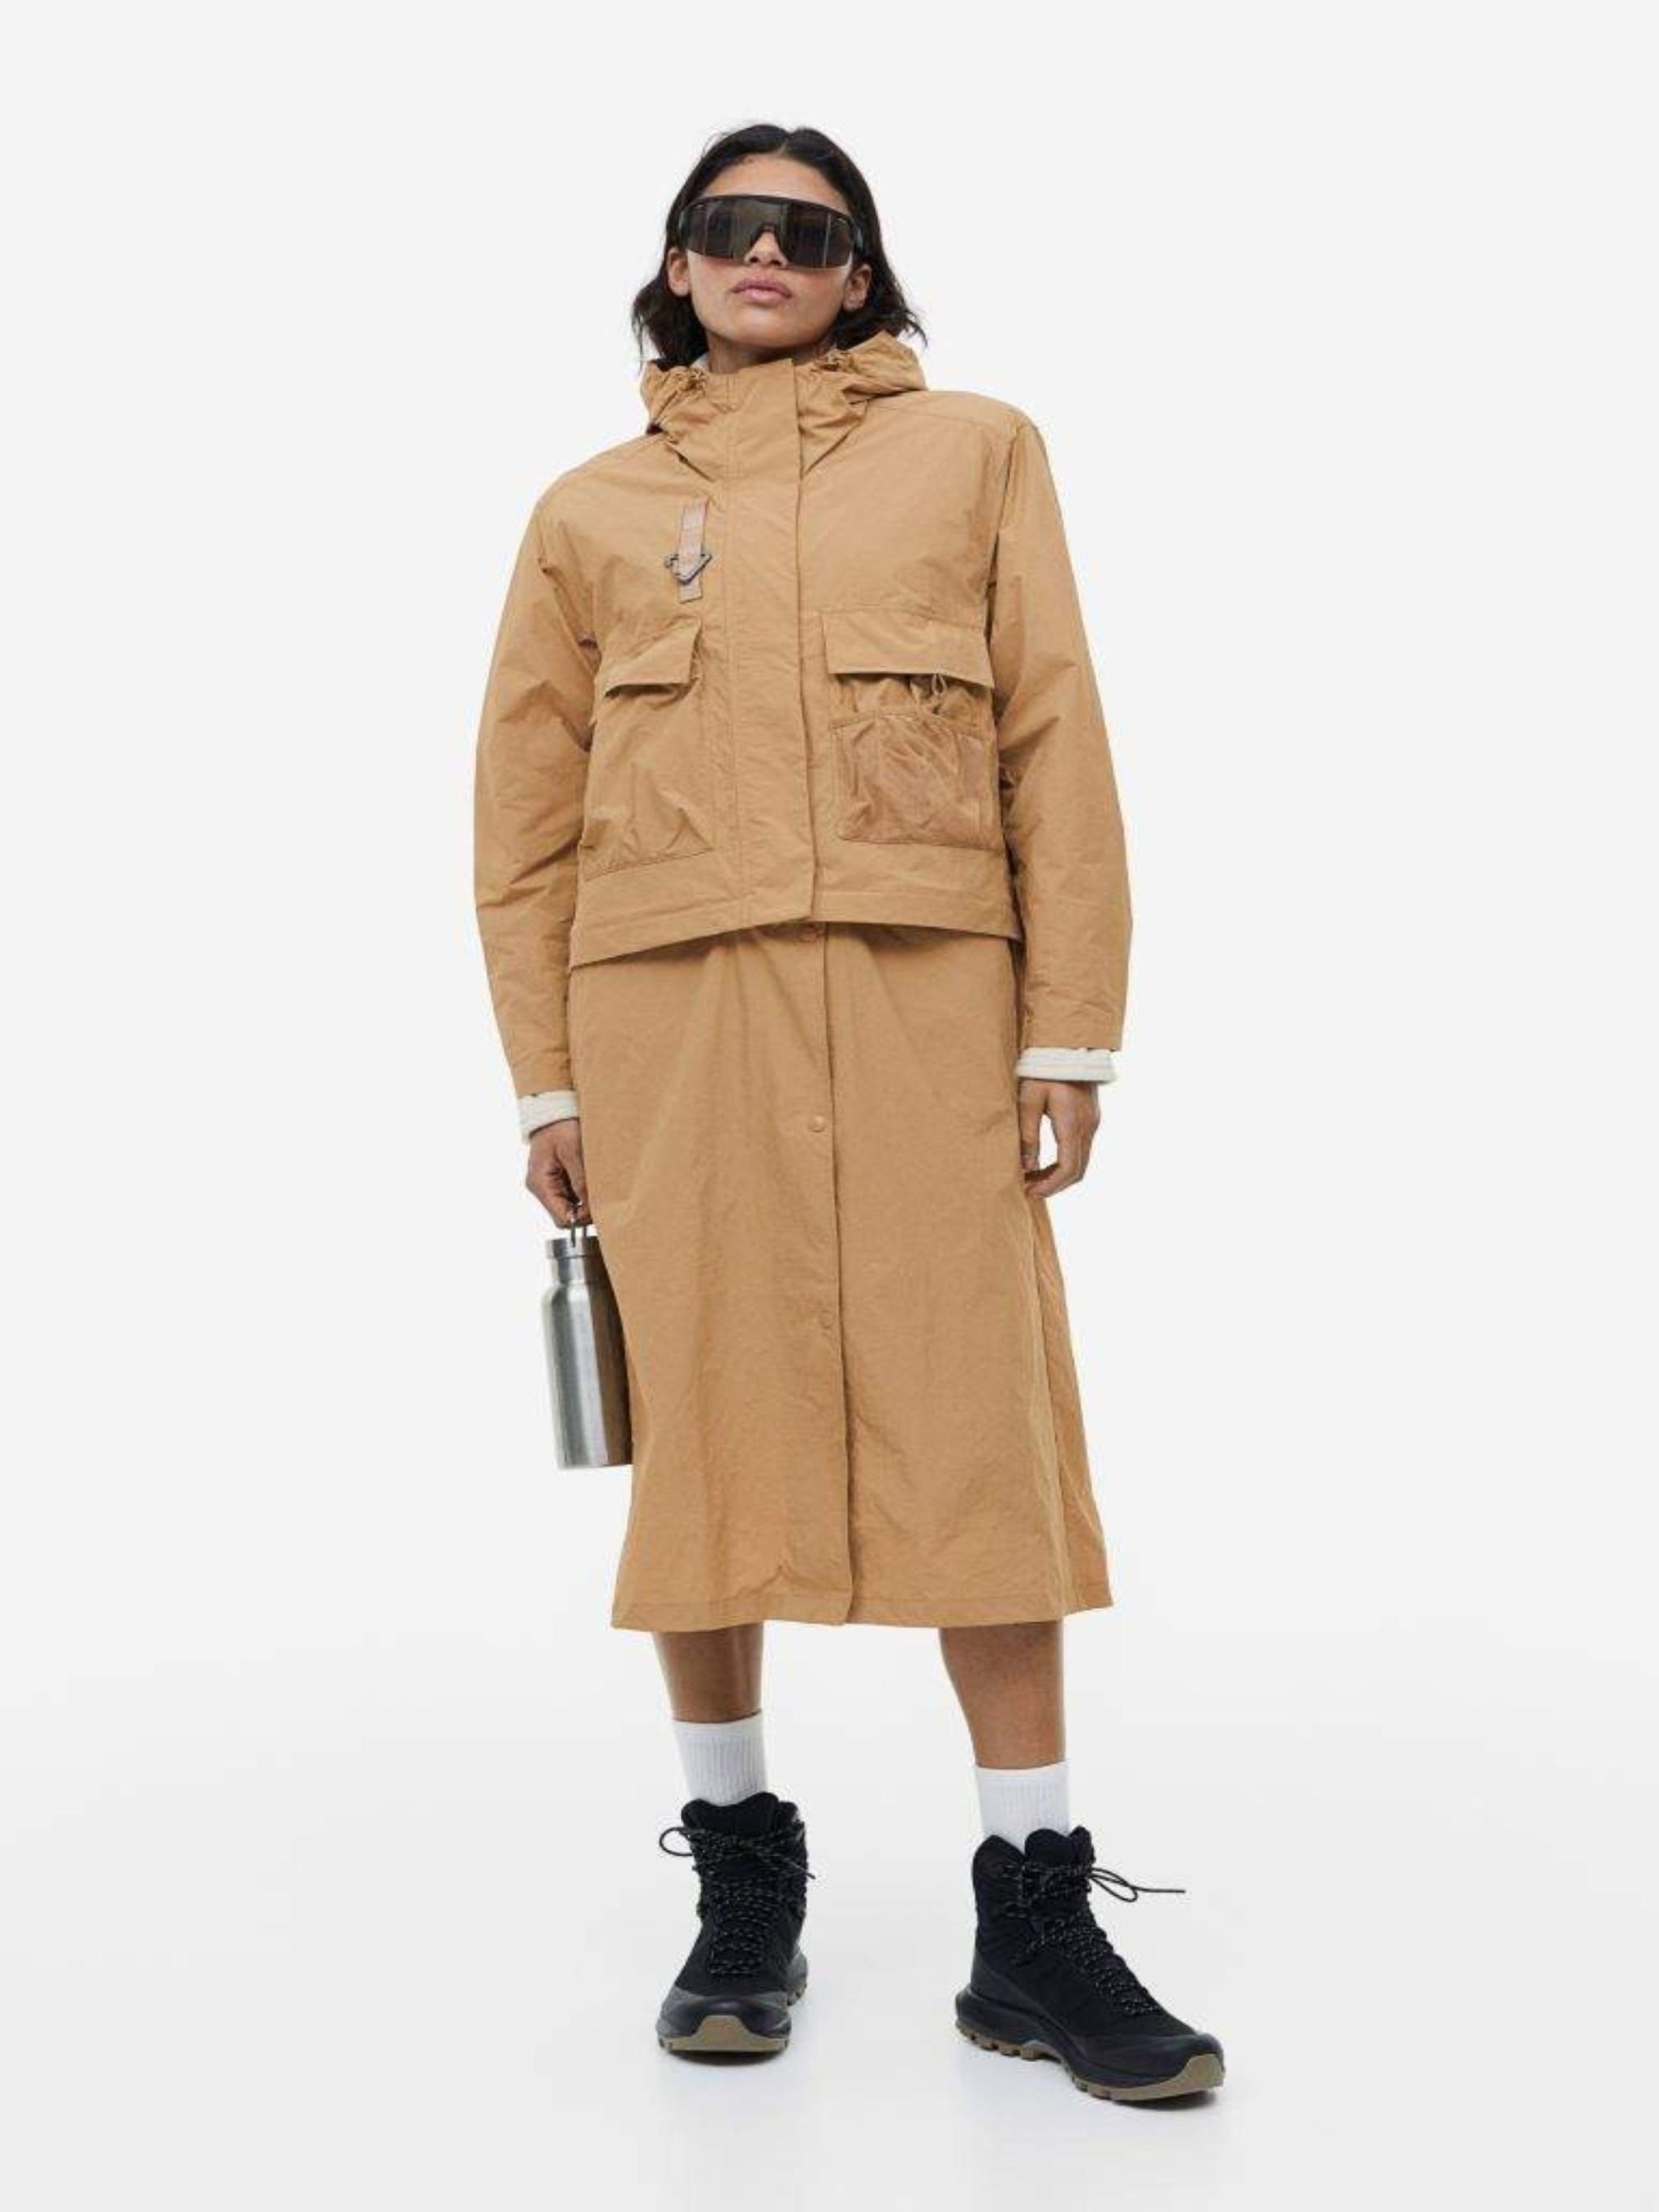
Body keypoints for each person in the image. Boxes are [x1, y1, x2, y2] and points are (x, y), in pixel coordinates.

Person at [473, 121, 1224, 2102]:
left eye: (806, 232)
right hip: (667, 1022)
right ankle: (743, 1880)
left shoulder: (975, 453)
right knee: (703, 1440)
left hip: (925, 1005)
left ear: (858, 272)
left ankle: (1031, 1914)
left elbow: (1052, 734)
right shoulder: (586, 512)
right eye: (727, 225)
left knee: (981, 1431)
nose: (765, 253)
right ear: (674, 263)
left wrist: (1068, 1033)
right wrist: (546, 1078)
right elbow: (523, 826)